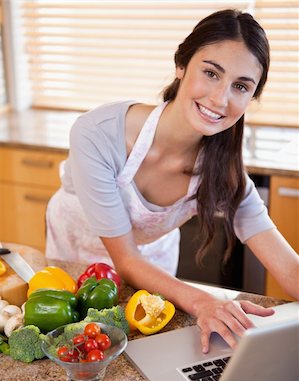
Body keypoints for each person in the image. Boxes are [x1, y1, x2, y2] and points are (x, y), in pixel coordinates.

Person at [46, 9, 299, 352]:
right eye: (211, 73)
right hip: (75, 260)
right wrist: (205, 302)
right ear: (181, 65)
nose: (220, 99)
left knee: (146, 355)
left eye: (240, 86)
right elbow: (126, 259)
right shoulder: (98, 134)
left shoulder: (222, 170)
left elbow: (286, 265)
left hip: (154, 272)